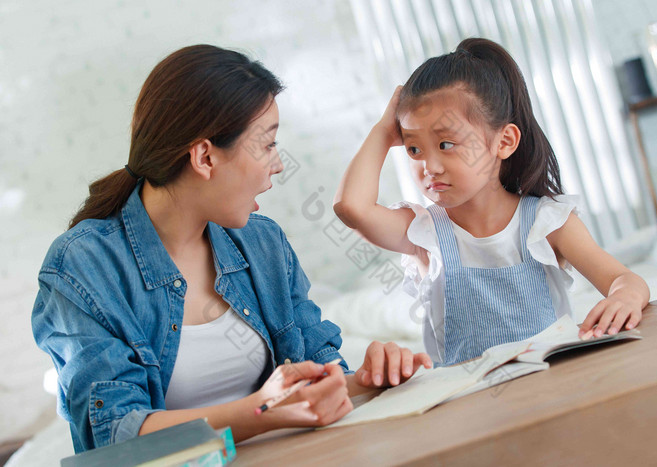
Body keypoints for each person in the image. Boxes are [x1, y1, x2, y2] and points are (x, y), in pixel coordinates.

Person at [31, 44, 432, 453]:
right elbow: (116, 437)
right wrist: (259, 412)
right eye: (267, 145)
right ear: (205, 157)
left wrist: (364, 379)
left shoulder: (263, 244)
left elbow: (314, 381)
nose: (277, 165)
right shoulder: (83, 268)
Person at [334, 37, 650, 367]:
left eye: (445, 143)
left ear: (505, 142)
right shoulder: (424, 234)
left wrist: (624, 296)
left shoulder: (548, 222)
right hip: (469, 403)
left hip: (552, 387)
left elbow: (624, 280)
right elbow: (351, 208)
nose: (430, 166)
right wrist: (383, 131)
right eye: (414, 149)